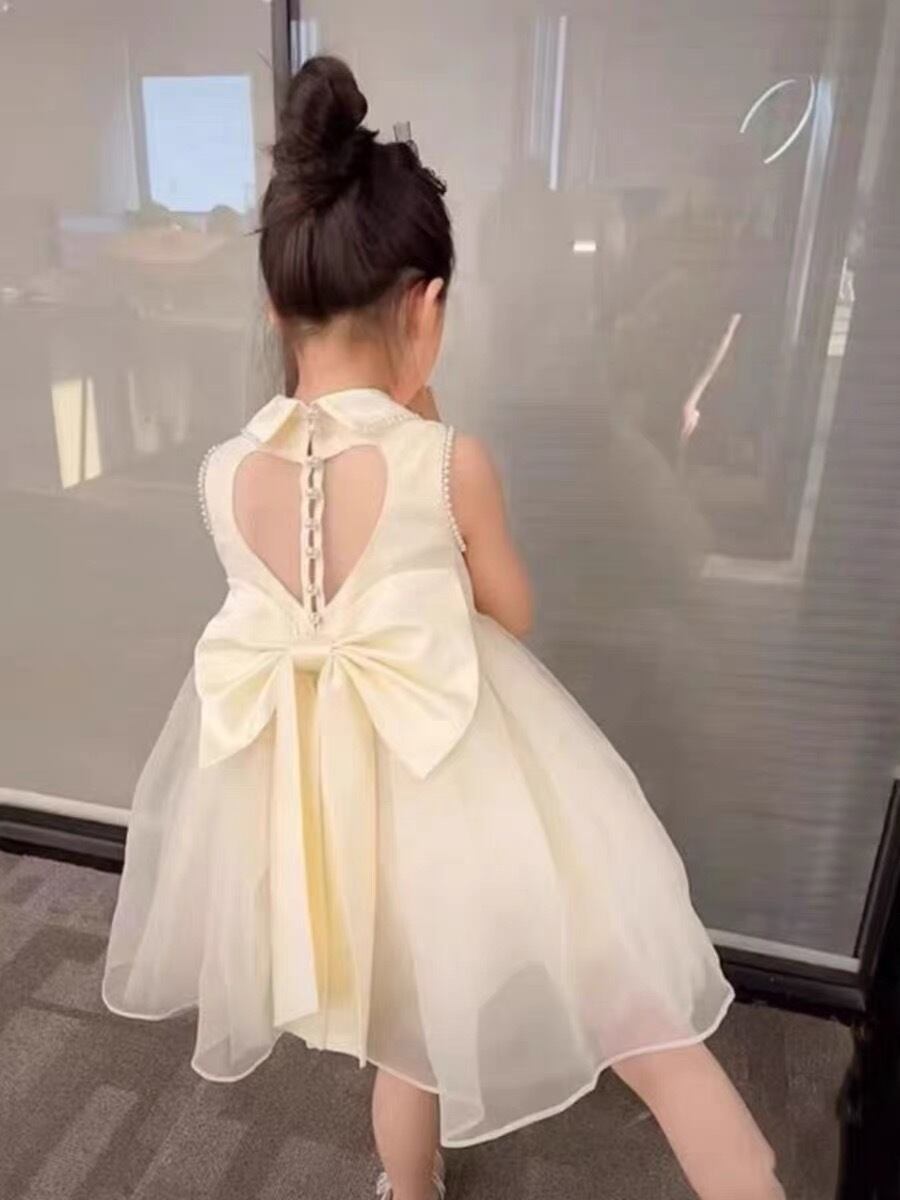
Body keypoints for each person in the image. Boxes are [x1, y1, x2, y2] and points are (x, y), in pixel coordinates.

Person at [101, 56, 786, 1200]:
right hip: (459, 777)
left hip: (319, 811)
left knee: (402, 1017)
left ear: (274, 308)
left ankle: (406, 1188)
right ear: (426, 306)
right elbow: (509, 611)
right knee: (632, 1000)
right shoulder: (444, 460)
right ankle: (747, 1180)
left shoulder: (222, 474)